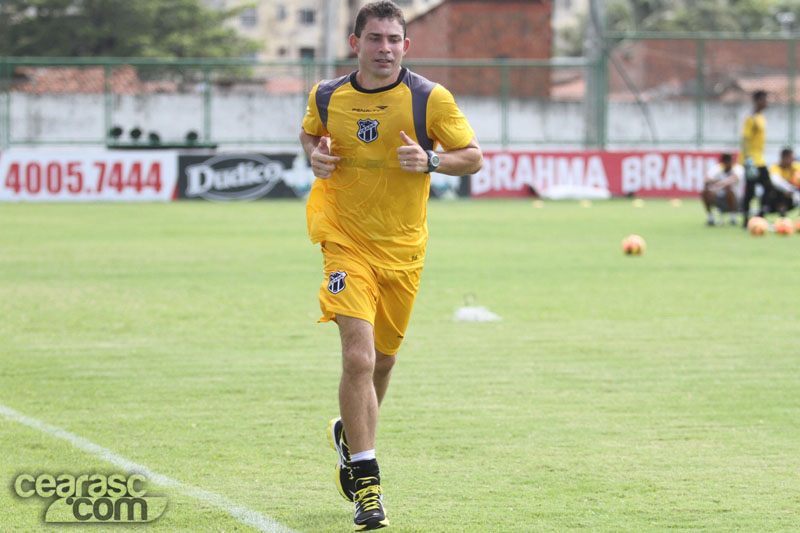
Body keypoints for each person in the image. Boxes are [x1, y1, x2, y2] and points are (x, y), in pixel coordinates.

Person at [298, 1, 482, 530]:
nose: (385, 48)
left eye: (394, 39)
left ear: (406, 45)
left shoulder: (429, 99)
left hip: (403, 252)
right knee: (357, 358)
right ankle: (368, 484)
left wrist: (431, 160)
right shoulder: (327, 95)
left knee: (382, 363)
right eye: (375, 38)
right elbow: (310, 132)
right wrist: (314, 154)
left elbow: (473, 156)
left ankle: (349, 435)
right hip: (345, 242)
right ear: (355, 43)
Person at [739, 90, 773, 227]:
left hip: (760, 159)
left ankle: (760, 216)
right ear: (757, 101)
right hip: (752, 161)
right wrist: (748, 160)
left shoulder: (761, 117)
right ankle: (746, 220)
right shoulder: (751, 118)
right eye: (764, 100)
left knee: (768, 187)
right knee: (750, 191)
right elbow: (745, 140)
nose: (766, 102)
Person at [702, 153, 743, 226]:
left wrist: (718, 185)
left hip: (736, 199)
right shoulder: (717, 168)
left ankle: (733, 218)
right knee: (705, 192)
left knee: (729, 189)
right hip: (719, 198)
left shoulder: (738, 168)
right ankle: (710, 218)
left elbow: (733, 179)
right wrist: (713, 188)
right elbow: (707, 179)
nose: (729, 164)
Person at [766, 147, 800, 215]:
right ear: (784, 158)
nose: (792, 160)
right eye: (790, 158)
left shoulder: (795, 166)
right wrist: (792, 190)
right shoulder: (775, 168)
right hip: (779, 195)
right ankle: (780, 208)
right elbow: (776, 182)